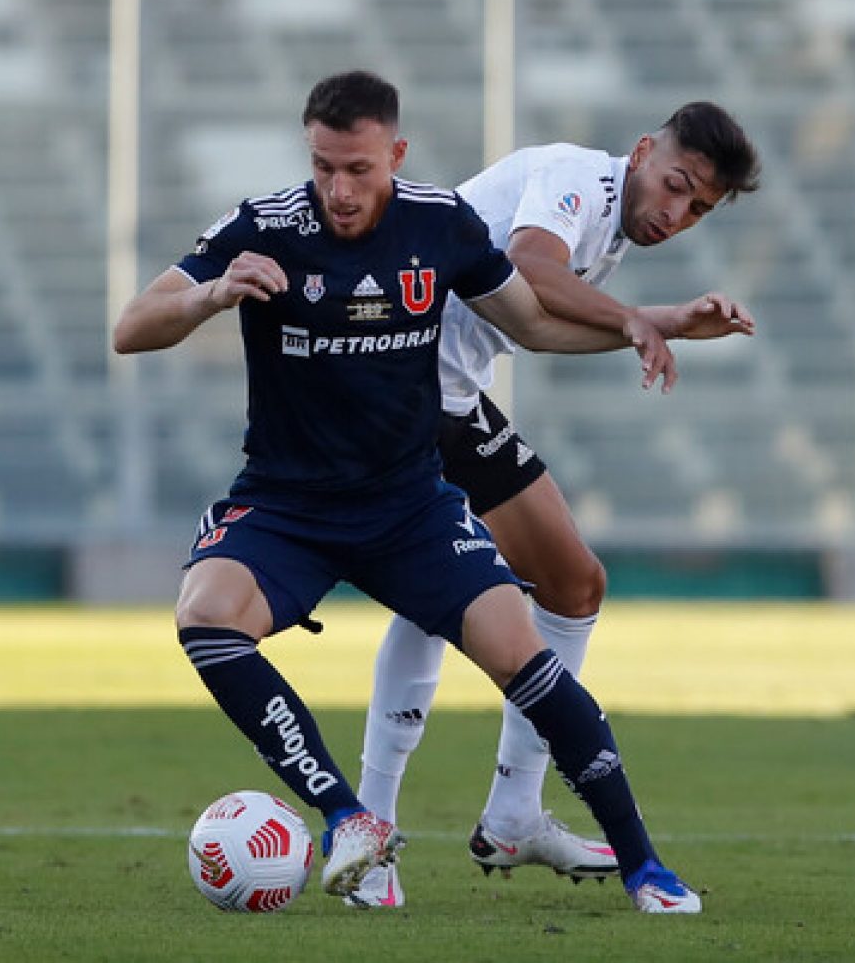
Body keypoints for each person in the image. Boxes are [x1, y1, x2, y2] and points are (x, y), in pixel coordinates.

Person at [114, 69, 710, 914]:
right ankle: (349, 816)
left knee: (527, 652)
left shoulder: (441, 224)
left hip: (410, 509)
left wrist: (652, 323)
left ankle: (645, 868)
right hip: (286, 505)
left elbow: (535, 325)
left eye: (358, 169)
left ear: (395, 155)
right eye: (323, 166)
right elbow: (131, 328)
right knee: (205, 618)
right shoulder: (265, 226)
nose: (339, 189)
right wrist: (212, 295)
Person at [350, 102, 761, 908]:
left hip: (448, 398)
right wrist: (637, 320)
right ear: (641, 152)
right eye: (676, 184)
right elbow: (532, 267)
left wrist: (665, 323)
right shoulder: (576, 181)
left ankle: (512, 815)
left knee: (572, 584)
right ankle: (372, 831)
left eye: (699, 208)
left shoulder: (609, 231)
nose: (677, 213)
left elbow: (536, 326)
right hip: (396, 391)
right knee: (440, 598)